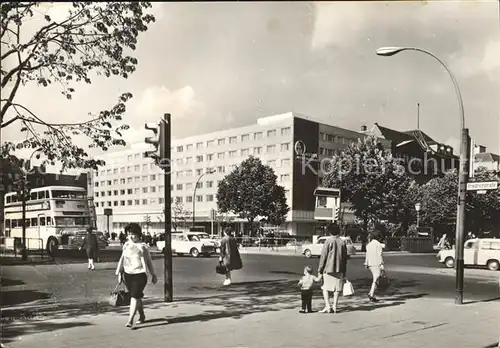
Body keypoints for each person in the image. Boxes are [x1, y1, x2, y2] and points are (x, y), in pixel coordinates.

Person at [116, 223, 157, 328]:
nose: (131, 236)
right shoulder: (126, 245)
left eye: (133, 234)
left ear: (139, 235)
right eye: (129, 234)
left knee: (134, 296)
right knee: (136, 296)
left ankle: (130, 320)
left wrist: (153, 274)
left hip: (140, 275)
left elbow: (149, 262)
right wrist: (120, 273)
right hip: (128, 274)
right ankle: (142, 315)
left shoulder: (143, 247)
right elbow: (122, 260)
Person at [317, 223, 348, 313]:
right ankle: (335, 306)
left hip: (328, 269)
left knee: (325, 287)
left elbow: (323, 257)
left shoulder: (328, 241)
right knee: (337, 289)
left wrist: (320, 269)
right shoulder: (342, 242)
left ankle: (327, 306)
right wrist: (344, 270)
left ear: (330, 231)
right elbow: (345, 258)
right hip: (339, 268)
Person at [364, 228, 385, 302]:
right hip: (376, 263)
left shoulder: (369, 244)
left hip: (370, 263)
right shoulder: (378, 244)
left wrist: (366, 263)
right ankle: (371, 294)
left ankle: (372, 294)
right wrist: (381, 264)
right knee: (376, 279)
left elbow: (367, 254)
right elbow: (380, 255)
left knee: (376, 278)